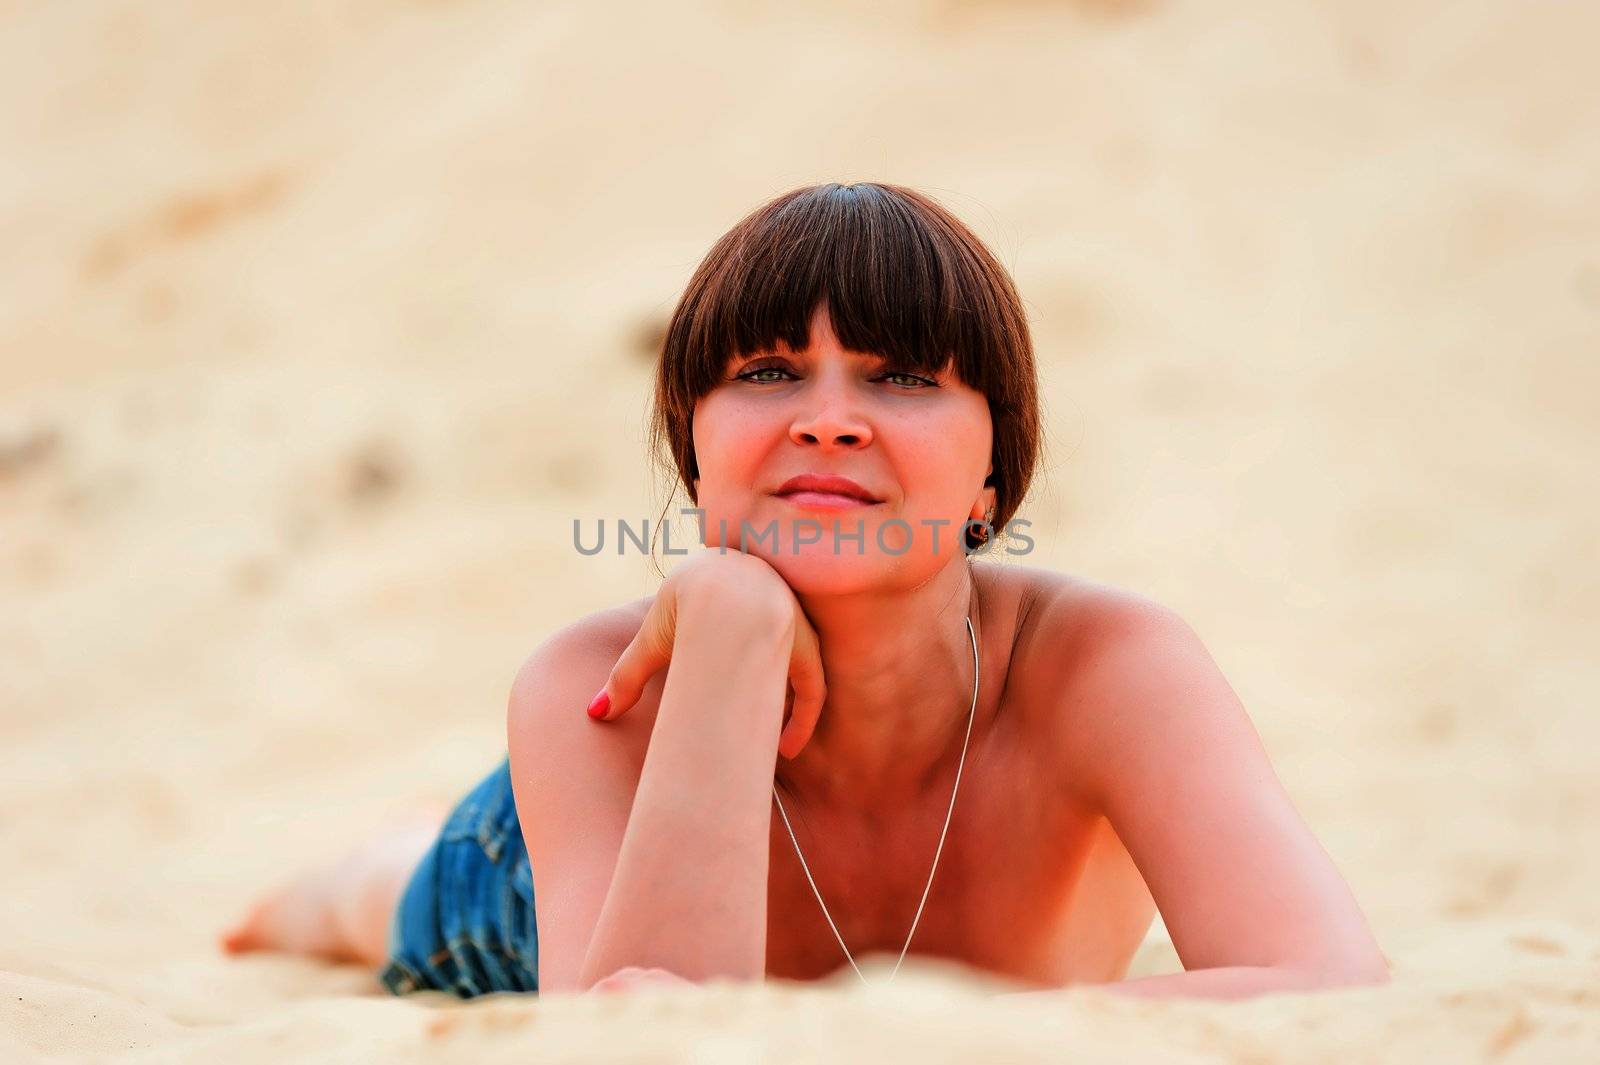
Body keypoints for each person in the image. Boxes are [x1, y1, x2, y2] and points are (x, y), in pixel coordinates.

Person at [219, 182, 1389, 1000]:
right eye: (770, 371)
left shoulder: (1106, 666)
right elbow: (636, 1038)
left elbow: (1328, 985)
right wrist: (727, 627)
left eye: (901, 376)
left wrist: (926, 1040)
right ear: (692, 451)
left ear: (992, 473)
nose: (828, 416)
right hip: (547, 877)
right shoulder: (592, 685)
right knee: (375, 906)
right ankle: (377, 859)